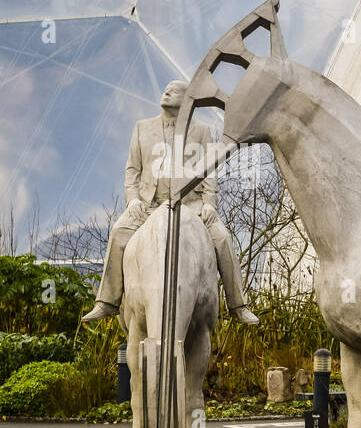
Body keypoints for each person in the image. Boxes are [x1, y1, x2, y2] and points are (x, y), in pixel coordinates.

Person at [82, 79, 258, 325]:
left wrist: (209, 204)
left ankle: (238, 306)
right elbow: (132, 171)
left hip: (191, 207)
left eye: (174, 90)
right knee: (119, 232)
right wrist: (133, 201)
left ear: (187, 99)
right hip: (149, 206)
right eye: (166, 89)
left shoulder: (202, 131)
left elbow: (209, 172)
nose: (167, 92)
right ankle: (107, 301)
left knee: (222, 238)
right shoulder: (142, 128)